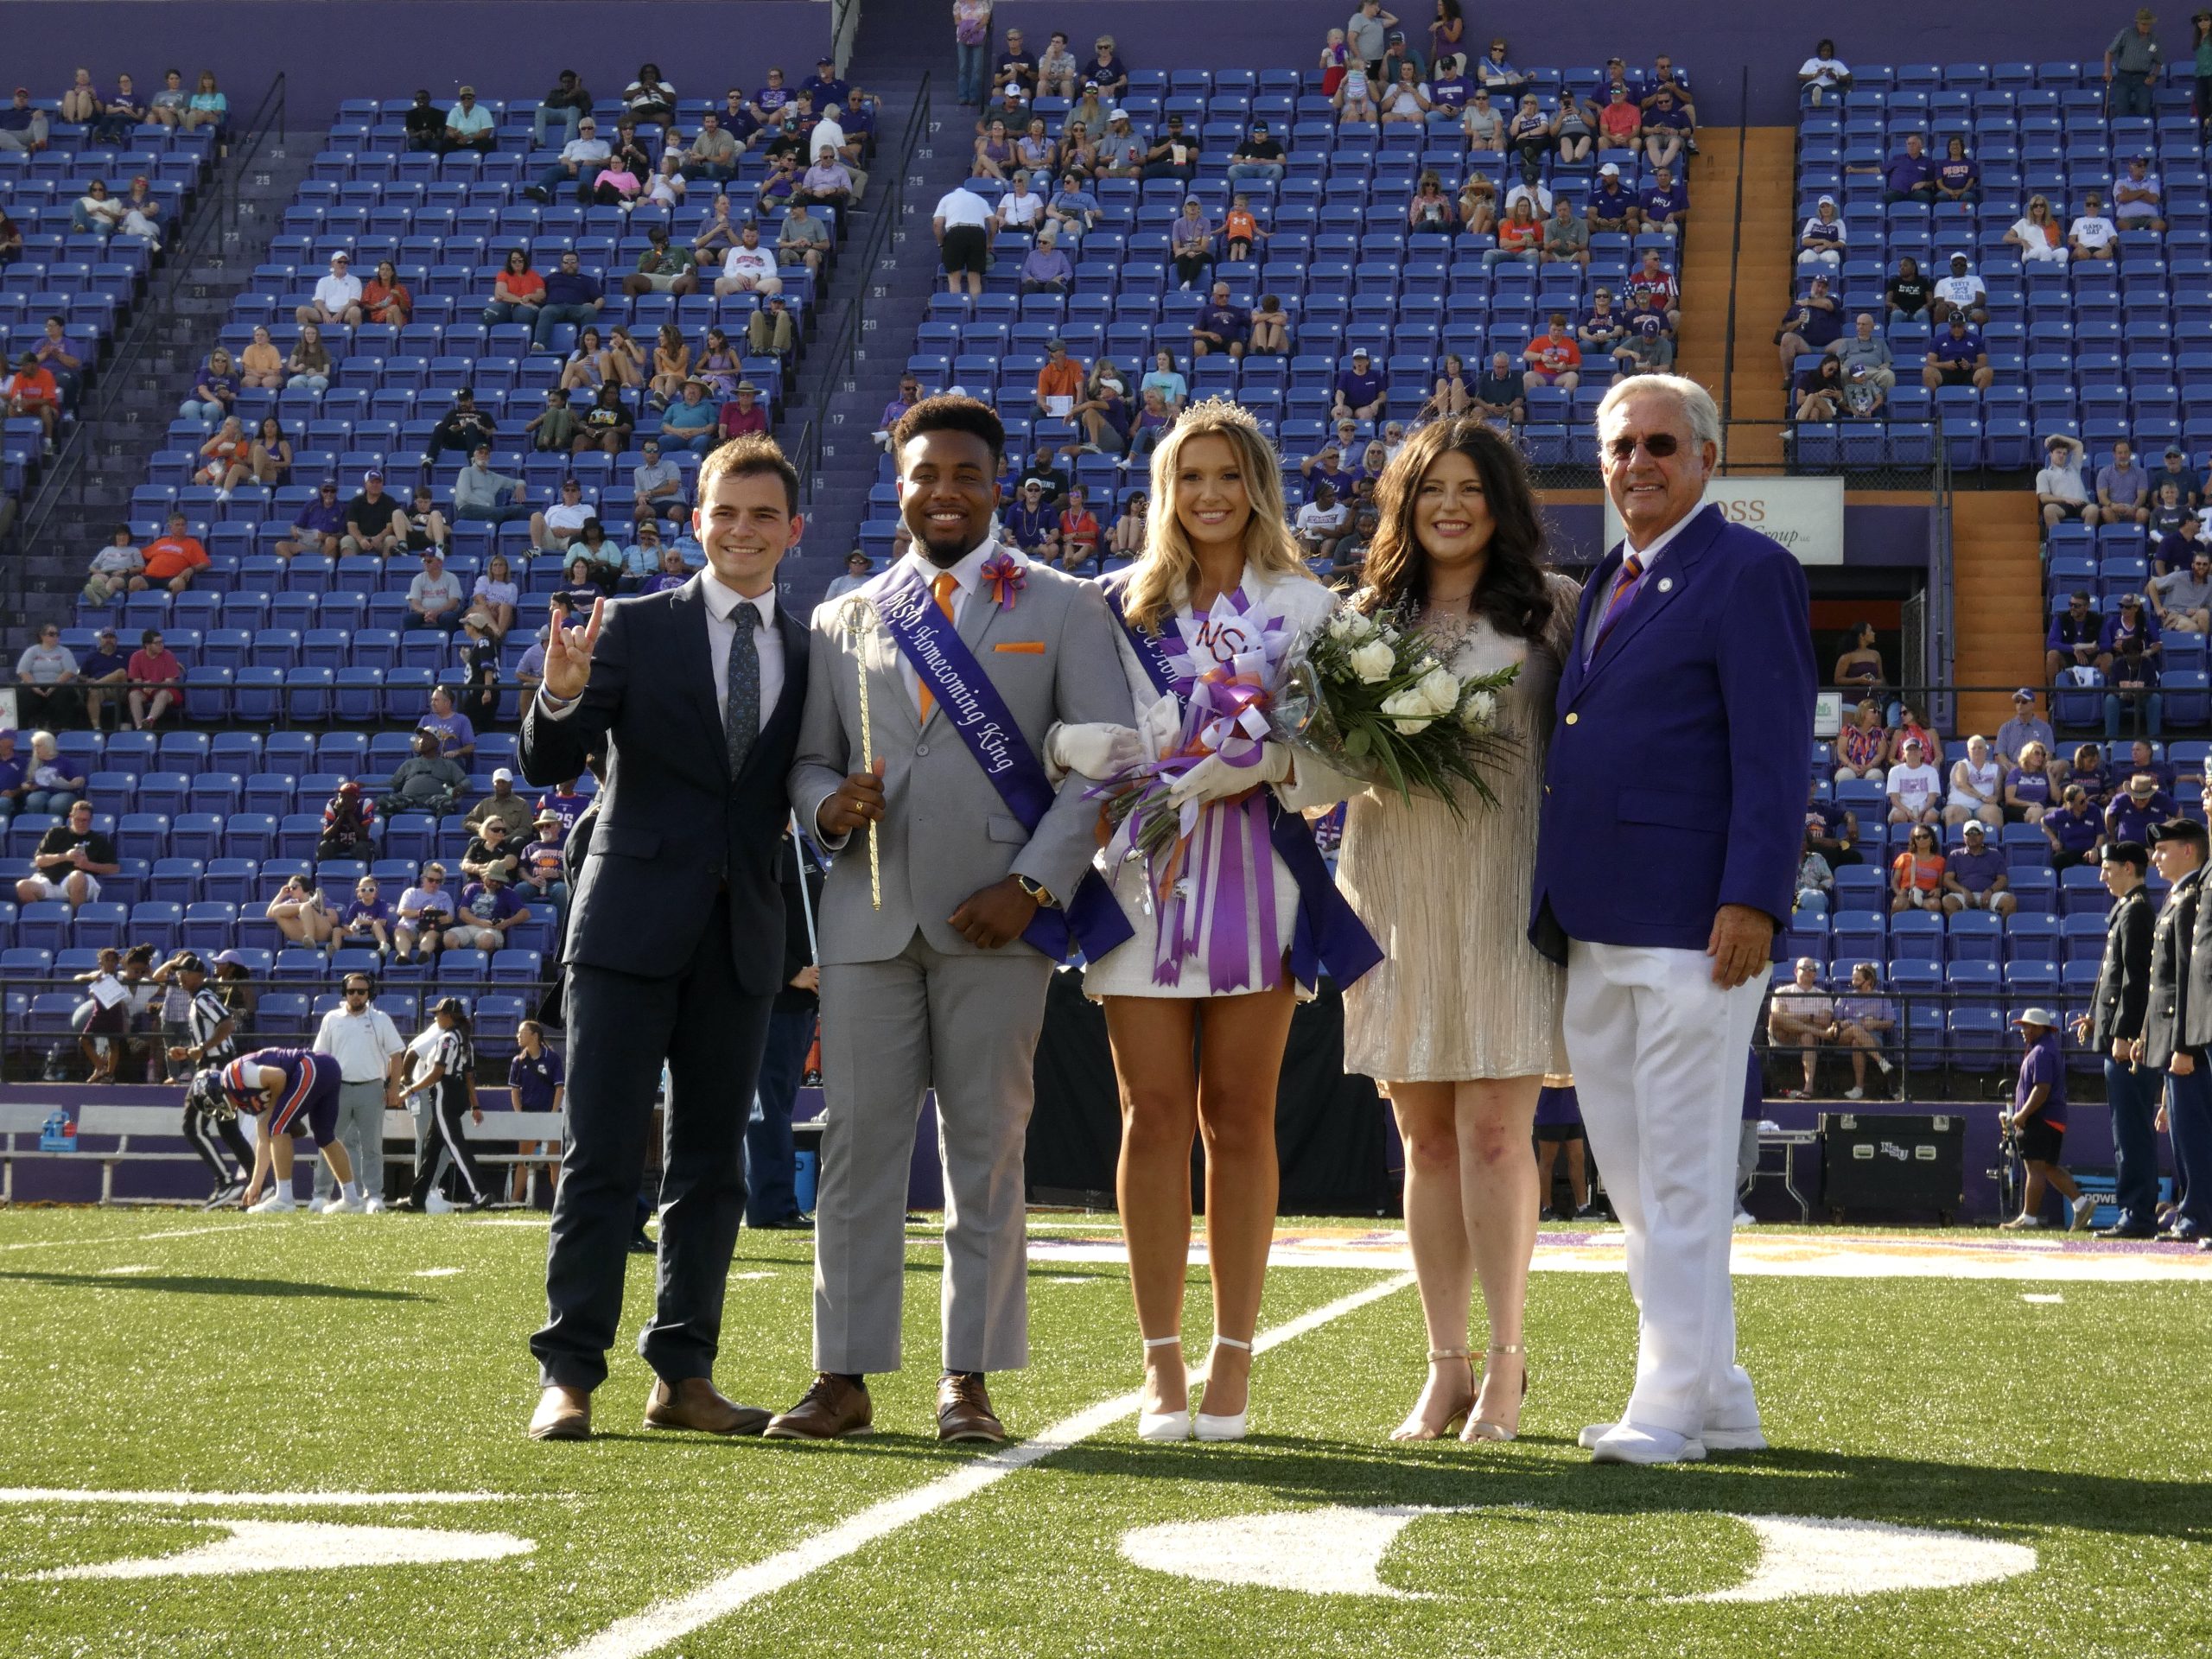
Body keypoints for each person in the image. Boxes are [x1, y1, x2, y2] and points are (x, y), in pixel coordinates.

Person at [768, 395, 1128, 1446]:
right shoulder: (845, 613)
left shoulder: (1063, 605)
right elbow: (808, 762)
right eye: (926, 475)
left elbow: (1102, 762)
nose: (946, 493)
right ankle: (842, 1376)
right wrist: (825, 807)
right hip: (869, 919)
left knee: (986, 1152)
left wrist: (1030, 888)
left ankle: (966, 1381)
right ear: (899, 484)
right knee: (856, 1151)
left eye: (965, 474)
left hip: (998, 925)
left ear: (996, 484)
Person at [1530, 374, 1815, 1465]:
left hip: (1696, 924)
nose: (1636, 464)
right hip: (1596, 920)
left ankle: (1668, 1405)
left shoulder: (1748, 571)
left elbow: (1774, 753)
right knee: (1639, 1184)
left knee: (1687, 1176)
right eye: (1618, 447)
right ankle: (1720, 1394)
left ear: (1703, 459)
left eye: (1659, 444)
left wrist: (1752, 897)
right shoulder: (1606, 574)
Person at [518, 437, 811, 1443]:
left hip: (743, 936)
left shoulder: (814, 648)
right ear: (696, 521)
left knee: (711, 1169)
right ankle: (569, 1374)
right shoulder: (631, 628)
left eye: (763, 516)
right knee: (599, 1156)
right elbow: (550, 760)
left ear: (792, 531)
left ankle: (683, 1373)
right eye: (725, 513)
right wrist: (559, 692)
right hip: (625, 927)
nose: (742, 531)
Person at [1321, 417, 1580, 1440]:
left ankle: (1510, 1366)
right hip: (1391, 886)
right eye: (1432, 488)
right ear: (1403, 505)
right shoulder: (1361, 619)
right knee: (1423, 1142)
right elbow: (1326, 762)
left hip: (1508, 888)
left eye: (1471, 488)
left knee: (1491, 1131)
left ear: (1501, 502)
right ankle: (1445, 1368)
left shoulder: (1555, 612)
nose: (1451, 505)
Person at [2076, 842, 2160, 1237]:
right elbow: (2113, 976)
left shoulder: (2137, 910)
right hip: (2116, 1036)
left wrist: (2125, 1032)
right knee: (2124, 1128)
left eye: (2107, 868)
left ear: (2128, 867)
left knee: (2130, 1130)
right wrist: (2097, 1018)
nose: (2102, 875)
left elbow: (2136, 981)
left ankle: (2137, 1212)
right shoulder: (2129, 908)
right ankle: (2136, 1209)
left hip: (2126, 1045)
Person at [202, 1048, 364, 1216]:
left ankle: (284, 1198)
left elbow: (278, 1076)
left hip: (311, 1066)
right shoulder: (243, 1097)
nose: (217, 1109)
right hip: (327, 1068)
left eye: (214, 1104)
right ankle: (351, 1199)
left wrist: (274, 1109)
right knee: (325, 1136)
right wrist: (256, 1183)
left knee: (278, 1126)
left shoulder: (234, 1076)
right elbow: (264, 1141)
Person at [933, 181, 995, 298]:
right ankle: (975, 311)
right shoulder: (978, 199)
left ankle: (957, 308)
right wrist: (990, 241)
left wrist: (941, 244)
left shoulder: (947, 198)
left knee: (954, 277)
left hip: (955, 233)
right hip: (978, 233)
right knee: (975, 277)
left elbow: (937, 224)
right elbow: (993, 221)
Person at [2108, 6, 2166, 118]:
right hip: (2124, 76)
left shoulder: (2154, 39)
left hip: (2143, 78)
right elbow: (2109, 52)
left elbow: (2159, 61)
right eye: (2144, 24)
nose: (2146, 27)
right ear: (2137, 23)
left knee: (2144, 109)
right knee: (2121, 109)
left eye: (2148, 24)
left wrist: (2154, 76)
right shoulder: (2126, 34)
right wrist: (2108, 71)